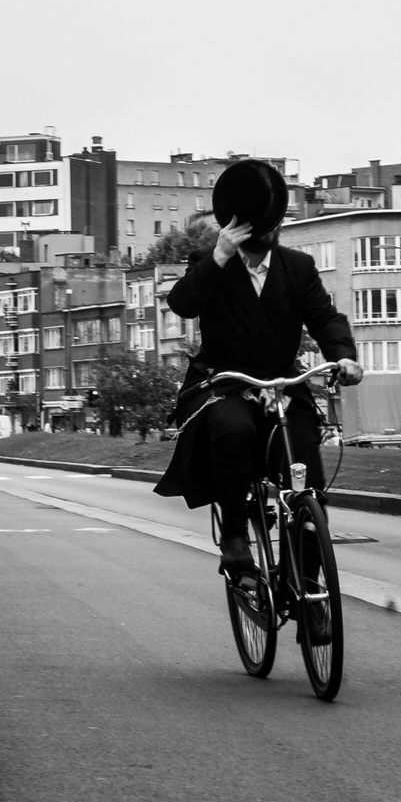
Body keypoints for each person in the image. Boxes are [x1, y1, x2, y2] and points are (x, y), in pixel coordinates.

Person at [151, 159, 362, 589]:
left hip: (282, 383)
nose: (267, 234)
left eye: (272, 225)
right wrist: (219, 256)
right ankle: (234, 536)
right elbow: (183, 303)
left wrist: (344, 356)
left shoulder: (298, 268)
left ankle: (306, 584)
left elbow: (325, 319)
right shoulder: (210, 263)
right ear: (238, 226)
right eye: (257, 227)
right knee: (233, 432)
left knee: (307, 473)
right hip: (225, 382)